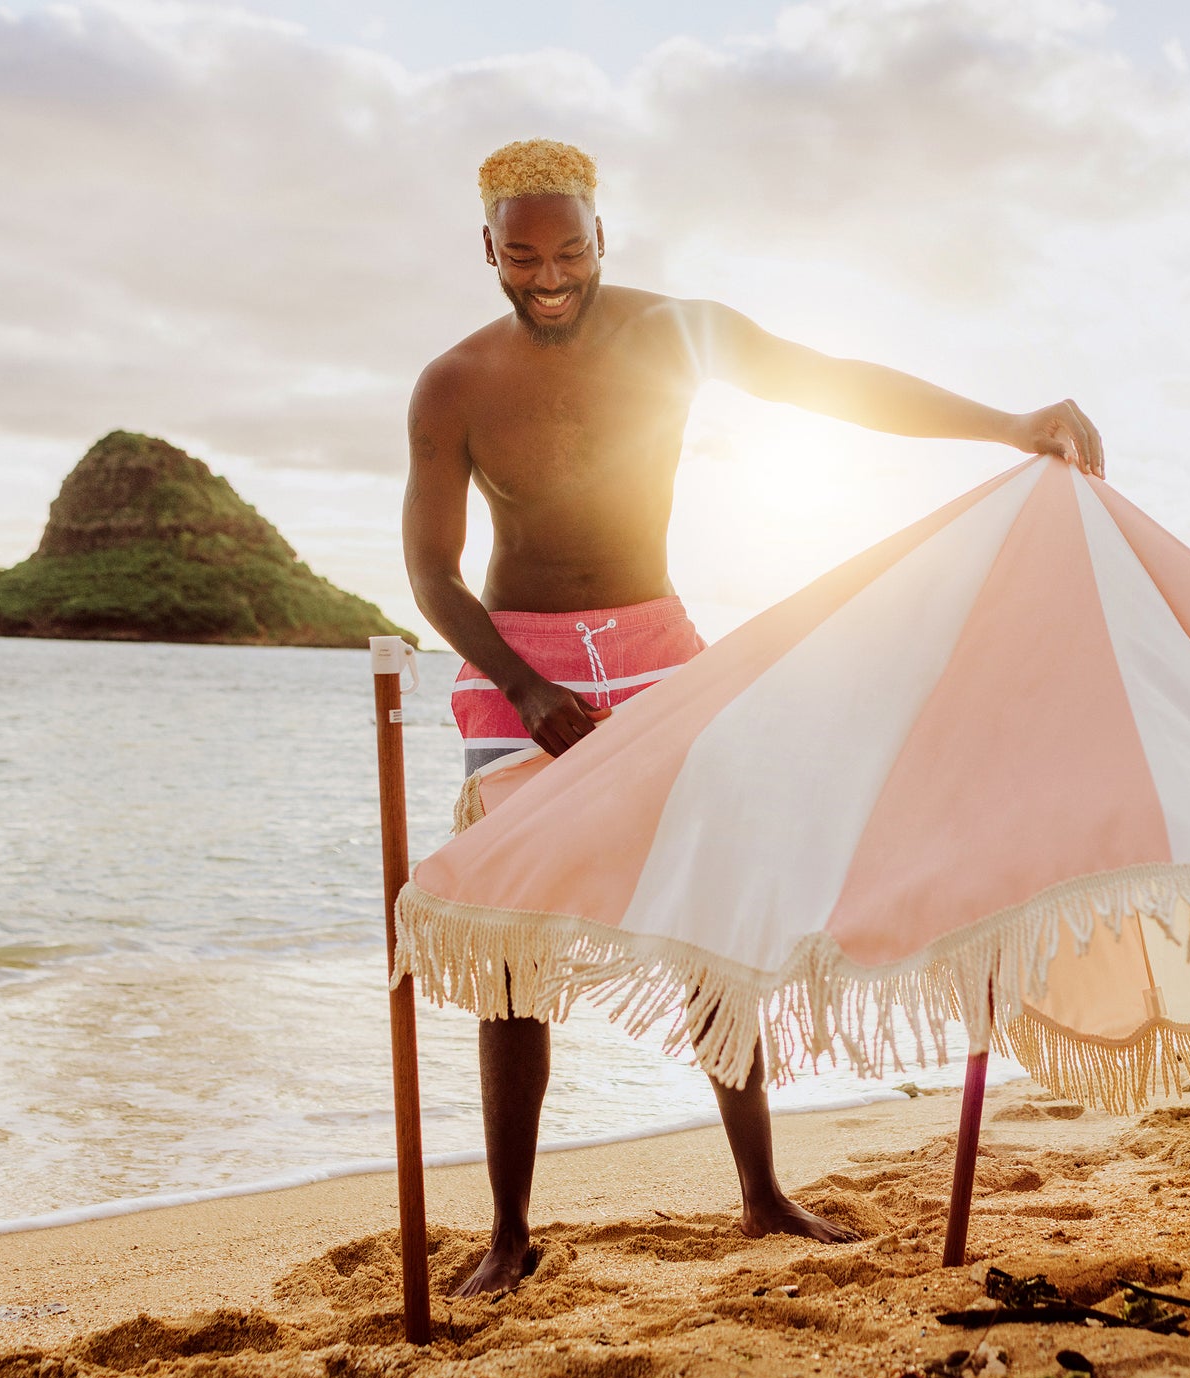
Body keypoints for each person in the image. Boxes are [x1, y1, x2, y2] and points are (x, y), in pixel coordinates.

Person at [402, 138, 1104, 1296]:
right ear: (487, 250)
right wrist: (524, 690)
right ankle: (509, 1231)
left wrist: (1007, 421)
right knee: (510, 943)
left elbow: (833, 380)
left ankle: (762, 1191)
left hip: (655, 641)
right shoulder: (453, 385)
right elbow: (431, 571)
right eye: (521, 256)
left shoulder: (675, 331)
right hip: (511, 662)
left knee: (713, 914)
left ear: (601, 236)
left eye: (569, 249)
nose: (549, 276)